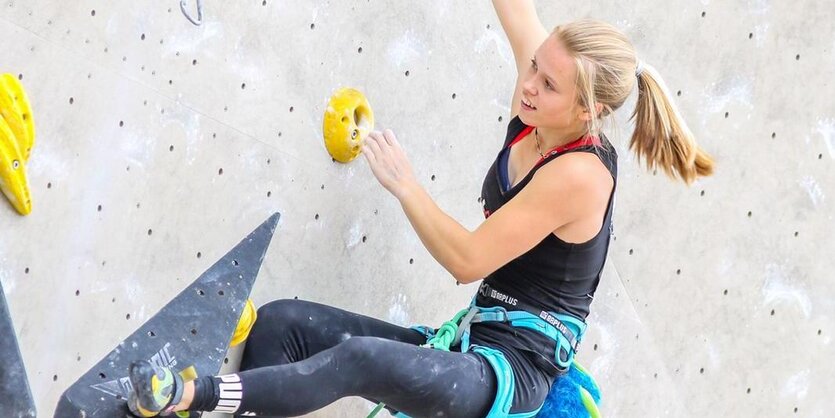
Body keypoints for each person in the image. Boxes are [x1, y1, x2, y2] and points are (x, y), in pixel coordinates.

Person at [126, 1, 714, 417]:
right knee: (283, 323)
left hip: (506, 377)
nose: (529, 83)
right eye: (534, 64)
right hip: (469, 341)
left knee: (356, 358)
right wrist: (536, 63)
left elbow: (467, 258)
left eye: (548, 83)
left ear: (585, 113)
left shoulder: (582, 175)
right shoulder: (543, 102)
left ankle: (189, 396)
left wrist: (406, 185)